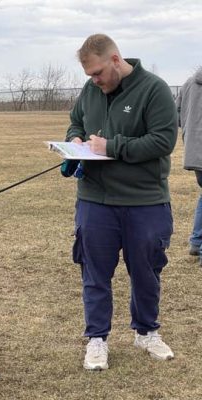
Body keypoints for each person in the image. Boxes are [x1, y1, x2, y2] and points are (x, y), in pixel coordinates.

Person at [64, 34, 178, 370]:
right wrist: (75, 139)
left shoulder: (154, 90)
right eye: (89, 76)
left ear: (116, 60)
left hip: (144, 200)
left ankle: (146, 331)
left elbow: (163, 140)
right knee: (94, 272)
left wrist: (111, 147)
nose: (94, 80)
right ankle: (97, 339)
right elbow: (76, 121)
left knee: (146, 271)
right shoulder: (91, 91)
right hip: (95, 199)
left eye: (98, 73)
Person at [176, 67, 202, 265]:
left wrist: (188, 129)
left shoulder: (189, 82)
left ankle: (196, 241)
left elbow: (175, 113)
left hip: (195, 151)